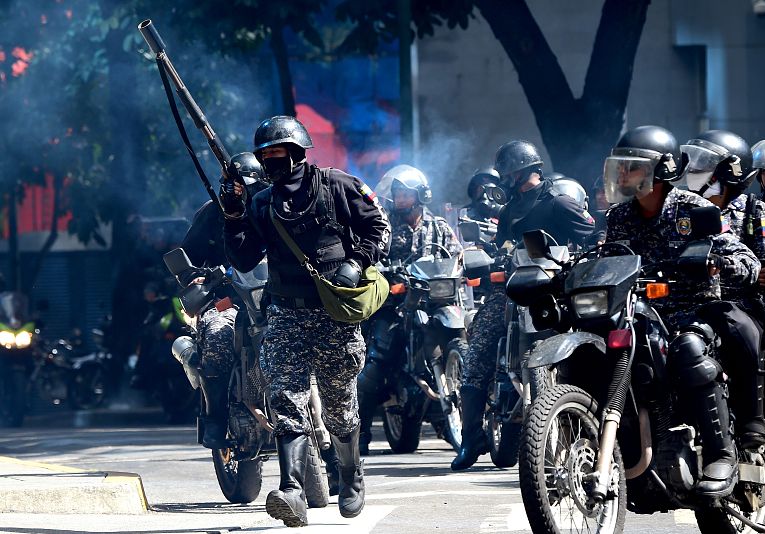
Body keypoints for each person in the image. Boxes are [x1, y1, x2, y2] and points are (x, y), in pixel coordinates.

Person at [221, 116, 390, 527]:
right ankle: (292, 491)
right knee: (286, 400)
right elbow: (244, 259)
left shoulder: (337, 185)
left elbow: (378, 228)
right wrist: (233, 215)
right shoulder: (263, 203)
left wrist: (356, 263)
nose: (271, 162)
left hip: (333, 315)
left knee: (339, 408)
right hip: (285, 315)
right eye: (265, 157)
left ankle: (350, 474)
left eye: (278, 154)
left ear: (298, 153)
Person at [604, 125, 760, 497]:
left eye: (633, 168)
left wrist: (724, 263)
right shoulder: (618, 218)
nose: (623, 175)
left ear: (660, 172)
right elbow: (606, 259)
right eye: (620, 168)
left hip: (693, 314)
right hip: (637, 315)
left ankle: (722, 454)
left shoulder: (696, 209)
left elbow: (742, 256)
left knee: (688, 349)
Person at [452, 140, 595, 471]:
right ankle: (471, 436)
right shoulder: (508, 211)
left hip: (555, 293)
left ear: (520, 171)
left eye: (508, 173)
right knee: (478, 350)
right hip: (512, 292)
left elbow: (594, 237)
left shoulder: (558, 203)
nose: (504, 179)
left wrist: (580, 260)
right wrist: (484, 259)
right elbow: (501, 247)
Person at [357, 164, 462, 456]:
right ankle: (359, 434)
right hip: (395, 304)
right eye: (398, 193)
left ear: (420, 194)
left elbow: (456, 254)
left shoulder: (438, 225)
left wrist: (463, 264)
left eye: (406, 193)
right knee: (377, 362)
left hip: (434, 301)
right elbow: (372, 253)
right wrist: (382, 271)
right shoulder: (385, 224)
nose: (401, 198)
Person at [682, 130, 765, 448]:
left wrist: (731, 266)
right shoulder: (680, 209)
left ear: (729, 174)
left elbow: (764, 268)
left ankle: (754, 421)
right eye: (691, 166)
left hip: (740, 304)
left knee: (744, 330)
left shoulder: (752, 210)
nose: (692, 174)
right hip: (687, 304)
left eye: (702, 167)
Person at [171, 152, 267, 448]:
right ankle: (217, 416)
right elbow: (186, 256)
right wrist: (194, 277)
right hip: (227, 300)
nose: (242, 192)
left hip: (271, 299)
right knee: (216, 336)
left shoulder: (270, 209)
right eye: (236, 186)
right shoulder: (212, 213)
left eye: (249, 186)